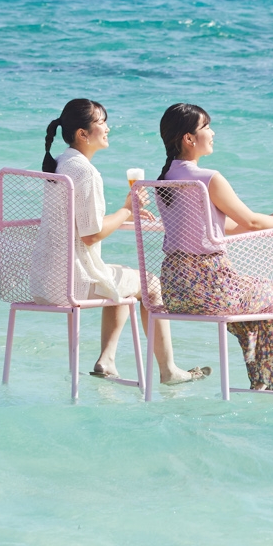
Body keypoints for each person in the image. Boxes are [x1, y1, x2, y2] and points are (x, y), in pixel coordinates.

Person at [42, 98, 207, 386]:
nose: (108, 128)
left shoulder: (61, 164)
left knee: (123, 277)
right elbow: (91, 235)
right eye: (101, 122)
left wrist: (123, 213)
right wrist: (127, 210)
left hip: (46, 279)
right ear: (82, 133)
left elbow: (82, 225)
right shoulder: (85, 172)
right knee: (150, 283)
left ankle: (106, 360)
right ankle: (169, 370)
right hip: (73, 282)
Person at [152, 102, 273, 393]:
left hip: (175, 291)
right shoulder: (208, 178)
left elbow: (226, 225)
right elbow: (251, 222)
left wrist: (268, 220)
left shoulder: (163, 181)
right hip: (212, 289)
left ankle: (262, 381)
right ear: (189, 138)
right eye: (206, 127)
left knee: (259, 301)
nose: (213, 132)